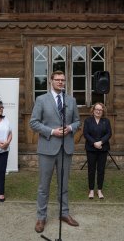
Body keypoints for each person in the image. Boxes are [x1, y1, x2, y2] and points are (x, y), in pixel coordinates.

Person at [30, 70, 81, 233]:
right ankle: (41, 217)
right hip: (47, 148)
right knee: (44, 186)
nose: (60, 82)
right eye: (57, 80)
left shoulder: (71, 100)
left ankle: (64, 213)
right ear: (51, 81)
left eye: (63, 80)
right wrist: (52, 131)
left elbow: (78, 121)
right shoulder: (41, 100)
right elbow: (33, 123)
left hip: (66, 148)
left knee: (63, 184)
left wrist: (70, 127)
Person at [83, 102, 112, 200]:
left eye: (100, 110)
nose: (98, 111)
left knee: (101, 170)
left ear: (103, 111)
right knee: (91, 170)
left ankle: (99, 190)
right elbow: (86, 133)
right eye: (97, 109)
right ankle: (91, 190)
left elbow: (109, 133)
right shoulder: (88, 121)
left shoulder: (106, 121)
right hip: (91, 148)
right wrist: (94, 143)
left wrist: (101, 142)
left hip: (103, 149)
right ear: (93, 110)